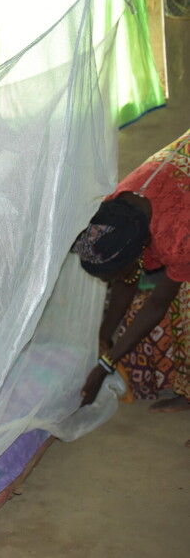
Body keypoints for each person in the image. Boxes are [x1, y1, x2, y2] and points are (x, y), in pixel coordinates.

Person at [72, 128, 190, 433]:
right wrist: (104, 337)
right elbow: (128, 277)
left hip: (181, 209)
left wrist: (106, 365)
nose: (118, 281)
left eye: (115, 275)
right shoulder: (117, 210)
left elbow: (156, 305)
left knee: (184, 303)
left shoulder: (176, 236)